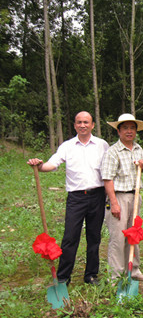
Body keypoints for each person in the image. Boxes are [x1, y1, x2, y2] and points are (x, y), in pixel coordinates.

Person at [27, 111, 109, 285]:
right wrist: (40, 165)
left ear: (92, 125)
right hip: (76, 198)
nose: (83, 125)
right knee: (70, 237)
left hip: (98, 196)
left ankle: (91, 275)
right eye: (79, 122)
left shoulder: (102, 145)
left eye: (86, 122)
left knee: (94, 237)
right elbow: (53, 163)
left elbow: (109, 169)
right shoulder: (67, 146)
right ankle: (63, 277)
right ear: (74, 125)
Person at [101, 113, 143, 281]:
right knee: (118, 237)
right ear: (119, 131)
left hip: (135, 196)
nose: (129, 131)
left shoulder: (138, 148)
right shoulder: (113, 152)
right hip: (119, 197)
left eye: (132, 128)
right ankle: (116, 276)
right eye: (125, 128)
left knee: (134, 233)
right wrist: (114, 203)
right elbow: (107, 179)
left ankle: (134, 269)